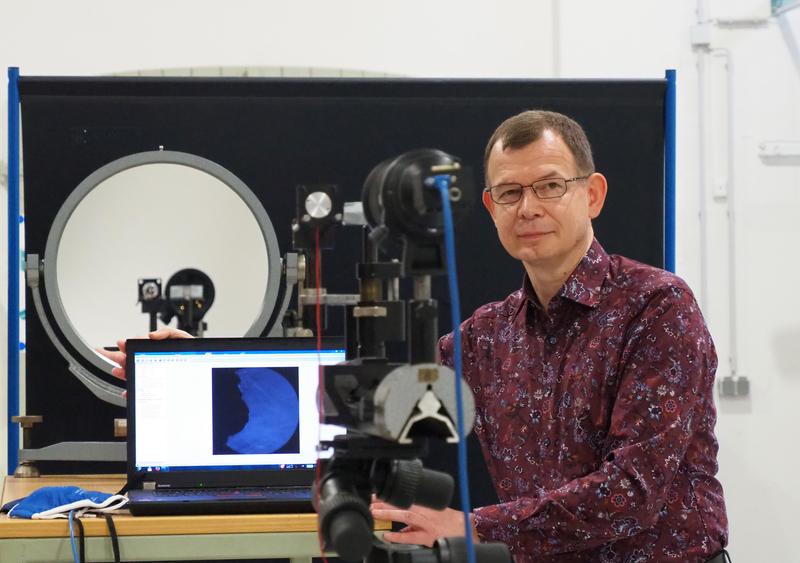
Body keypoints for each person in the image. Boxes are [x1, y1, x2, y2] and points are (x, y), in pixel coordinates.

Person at [370, 110, 729, 562]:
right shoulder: (481, 340)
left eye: (551, 186)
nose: (528, 207)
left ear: (592, 194)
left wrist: (473, 527)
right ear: (490, 207)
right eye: (509, 192)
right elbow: (389, 419)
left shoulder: (656, 308)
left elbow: (632, 493)